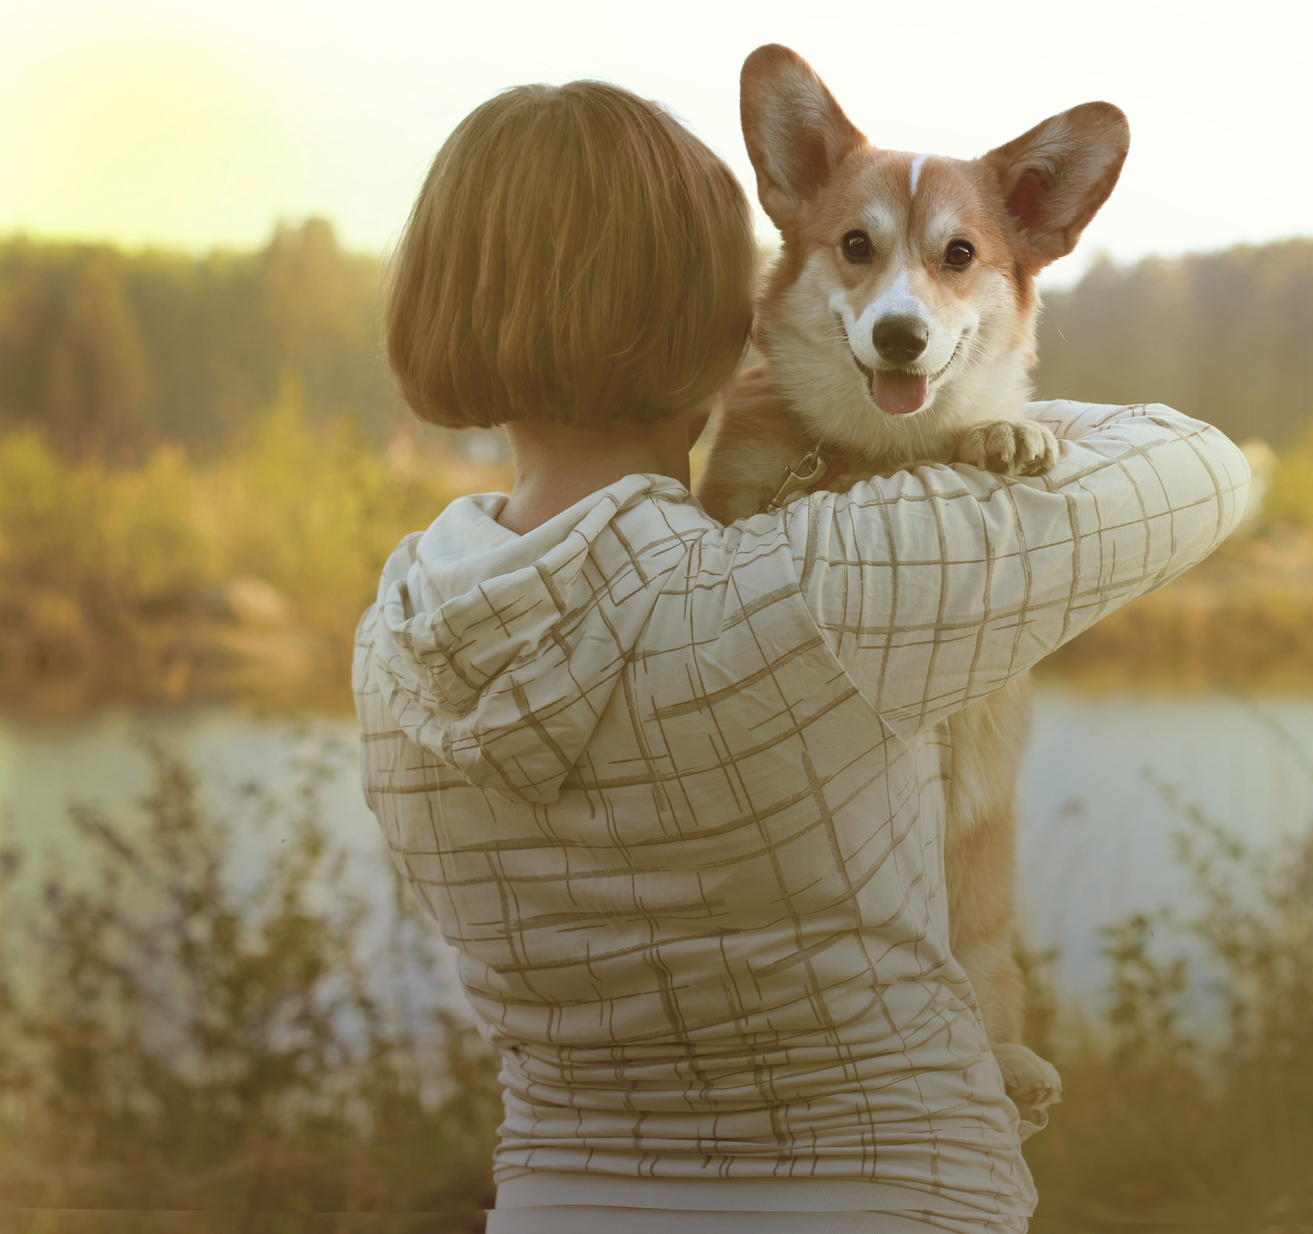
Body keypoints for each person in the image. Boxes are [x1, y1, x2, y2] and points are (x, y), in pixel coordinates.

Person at [354, 79, 1251, 1234]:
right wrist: (954, 417)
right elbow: (1198, 469)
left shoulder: (397, 642)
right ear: (734, 307)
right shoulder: (826, 584)